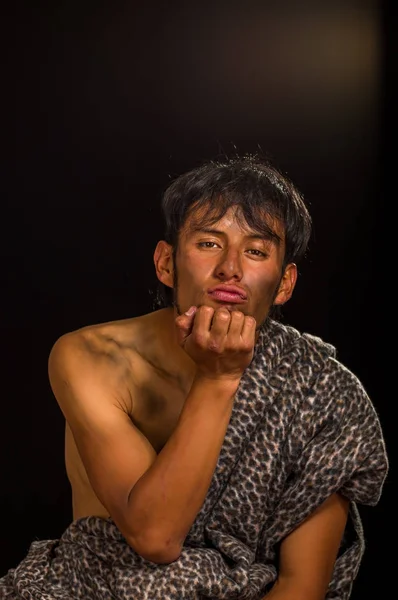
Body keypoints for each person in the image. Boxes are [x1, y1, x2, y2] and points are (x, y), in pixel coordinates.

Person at [0, 153, 388, 600]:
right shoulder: (92, 357)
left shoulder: (322, 394)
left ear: (284, 283)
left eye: (257, 251)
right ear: (166, 263)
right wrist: (219, 379)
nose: (230, 267)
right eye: (209, 243)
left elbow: (300, 586)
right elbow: (155, 538)